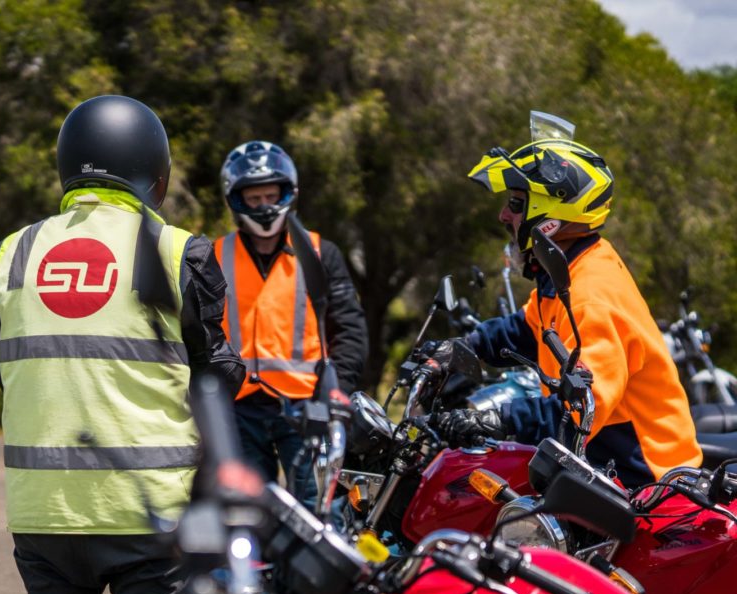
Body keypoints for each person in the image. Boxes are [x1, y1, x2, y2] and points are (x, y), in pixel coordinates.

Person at [0, 95, 244, 594]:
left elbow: (5, 360)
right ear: (153, 175)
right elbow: (214, 378)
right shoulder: (179, 251)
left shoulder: (10, 254)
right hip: (145, 509)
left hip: (44, 510)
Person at [428, 128, 699, 487]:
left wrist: (494, 418)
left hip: (645, 479)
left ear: (549, 214)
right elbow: (525, 331)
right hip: (600, 462)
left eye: (515, 203)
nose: (504, 216)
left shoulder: (591, 294)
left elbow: (580, 410)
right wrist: (462, 348)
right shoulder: (570, 268)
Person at [214, 141, 367, 505]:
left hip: (306, 406)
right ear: (236, 200)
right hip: (239, 406)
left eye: (271, 194)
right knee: (248, 512)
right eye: (254, 198)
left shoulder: (319, 253)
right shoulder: (214, 255)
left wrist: (338, 389)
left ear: (288, 193)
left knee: (315, 508)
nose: (264, 206)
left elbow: (349, 327)